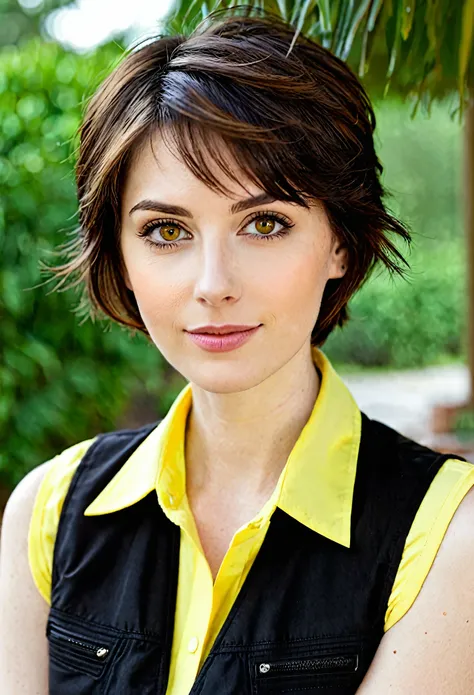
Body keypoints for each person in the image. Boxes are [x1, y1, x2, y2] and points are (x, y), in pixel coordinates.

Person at [1, 7, 473, 695]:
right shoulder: (46, 513)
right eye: (166, 230)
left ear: (340, 240)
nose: (213, 284)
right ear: (122, 257)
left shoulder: (447, 537)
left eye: (264, 222)